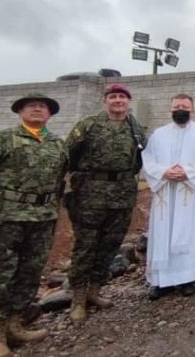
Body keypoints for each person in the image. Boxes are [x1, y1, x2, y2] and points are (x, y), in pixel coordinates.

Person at [0, 92, 67, 357]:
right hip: (9, 218)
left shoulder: (57, 144)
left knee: (30, 272)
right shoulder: (3, 140)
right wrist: (7, 199)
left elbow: (60, 179)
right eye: (31, 106)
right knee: (2, 274)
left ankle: (15, 324)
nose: (38, 110)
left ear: (49, 114)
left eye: (43, 107)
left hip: (43, 218)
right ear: (20, 111)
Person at [64, 83, 146, 322]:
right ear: (105, 101)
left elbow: (141, 158)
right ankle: (78, 299)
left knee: (110, 244)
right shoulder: (88, 125)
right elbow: (68, 155)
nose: (118, 100)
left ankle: (94, 291)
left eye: (122, 97)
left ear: (128, 102)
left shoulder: (135, 128)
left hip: (122, 194)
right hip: (91, 194)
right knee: (86, 245)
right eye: (113, 97)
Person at [141, 94, 195, 299]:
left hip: (190, 192)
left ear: (193, 109)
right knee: (163, 234)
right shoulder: (159, 134)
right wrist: (164, 172)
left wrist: (187, 173)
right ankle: (161, 281)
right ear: (171, 109)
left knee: (190, 233)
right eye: (176, 106)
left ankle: (187, 279)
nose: (180, 109)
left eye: (185, 106)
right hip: (165, 190)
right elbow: (148, 159)